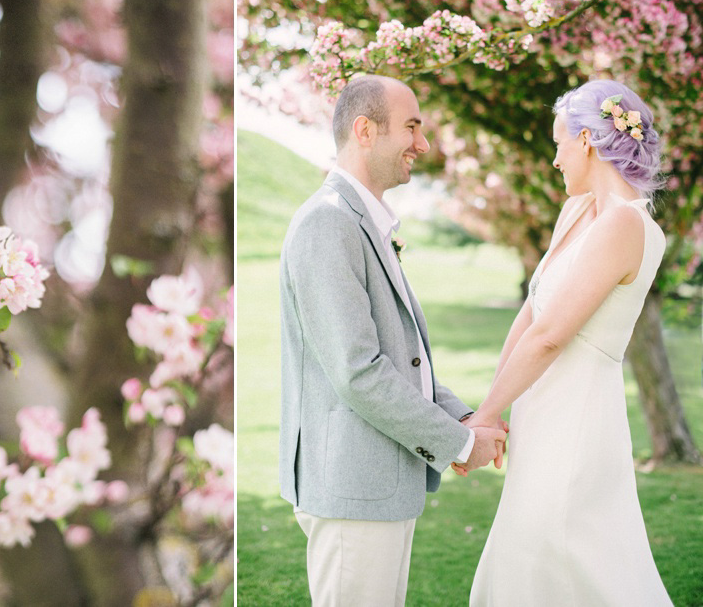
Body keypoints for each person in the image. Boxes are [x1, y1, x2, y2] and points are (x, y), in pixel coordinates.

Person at [279, 74, 507, 606]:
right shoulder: (327, 224)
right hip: (352, 492)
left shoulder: (361, 223)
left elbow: (402, 362)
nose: (423, 145)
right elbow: (360, 371)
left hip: (379, 486)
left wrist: (464, 418)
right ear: (365, 130)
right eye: (411, 127)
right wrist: (463, 443)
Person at [464, 80, 673, 606]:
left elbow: (552, 337)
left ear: (585, 141)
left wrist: (484, 415)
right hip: (541, 406)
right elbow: (532, 311)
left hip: (578, 412)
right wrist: (491, 412)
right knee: (527, 543)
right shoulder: (578, 212)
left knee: (561, 550)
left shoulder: (627, 225)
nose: (555, 159)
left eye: (558, 143)